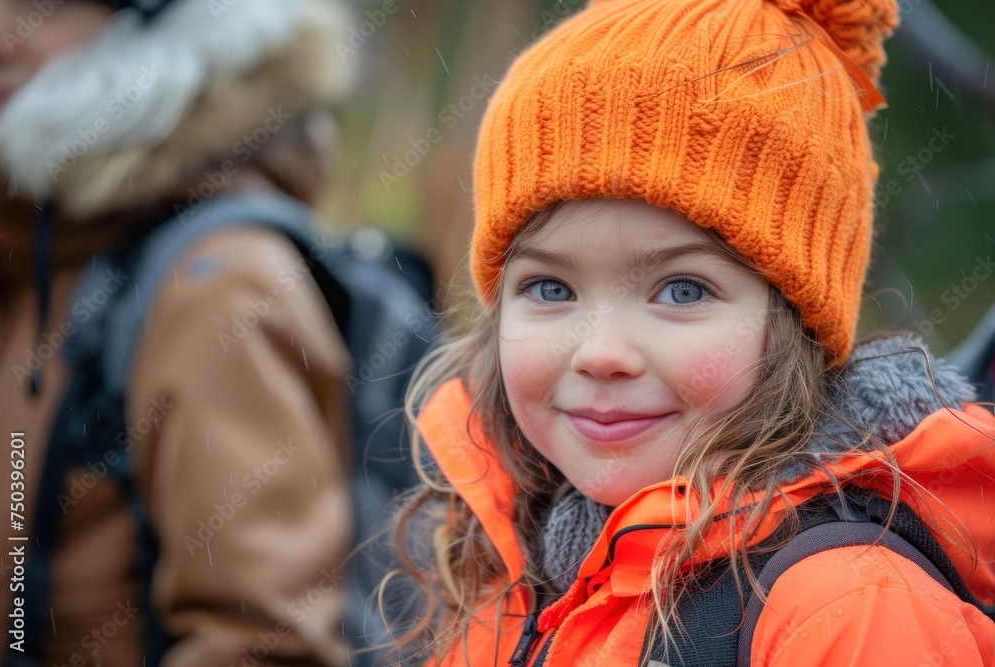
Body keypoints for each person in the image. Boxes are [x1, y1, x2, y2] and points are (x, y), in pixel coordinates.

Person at [389, 0, 995, 664]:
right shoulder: (499, 560)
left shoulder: (846, 611)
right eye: (550, 288)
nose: (601, 352)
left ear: (795, 321)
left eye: (682, 290)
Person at [0, 0, 361, 664]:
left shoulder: (220, 287)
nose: (0, 36)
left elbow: (265, 641)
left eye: (41, 7)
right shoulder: (39, 248)